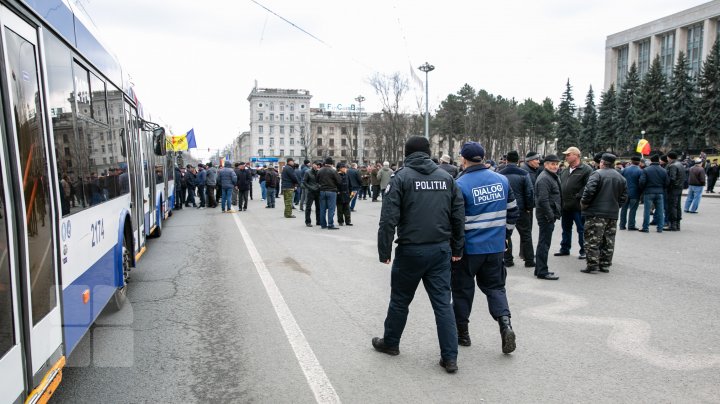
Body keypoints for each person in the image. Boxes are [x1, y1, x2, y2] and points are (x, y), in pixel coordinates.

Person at [373, 136, 465, 373]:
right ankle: (450, 357)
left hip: (411, 250)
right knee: (443, 304)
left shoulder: (401, 177)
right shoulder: (447, 178)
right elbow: (458, 217)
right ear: (427, 152)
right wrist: (457, 248)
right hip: (440, 250)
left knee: (400, 300)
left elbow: (388, 219)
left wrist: (384, 250)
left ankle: (391, 343)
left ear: (407, 153)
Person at [452, 142, 519, 354]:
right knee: (496, 288)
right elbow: (513, 211)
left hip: (469, 250)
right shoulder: (502, 180)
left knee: (462, 291)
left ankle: (462, 334)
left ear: (463, 159)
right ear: (483, 157)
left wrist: (455, 248)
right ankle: (505, 325)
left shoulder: (460, 185)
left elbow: (456, 221)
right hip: (495, 247)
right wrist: (505, 235)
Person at [579, 153, 628, 274]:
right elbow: (624, 196)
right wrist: (616, 206)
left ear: (602, 162)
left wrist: (584, 204)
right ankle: (605, 264)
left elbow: (589, 191)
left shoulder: (597, 174)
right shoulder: (620, 177)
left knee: (592, 239)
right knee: (609, 240)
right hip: (612, 213)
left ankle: (592, 265)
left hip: (596, 213)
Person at [499, 150, 535, 268]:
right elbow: (529, 192)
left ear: (506, 160)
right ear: (518, 160)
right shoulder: (524, 173)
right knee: (526, 234)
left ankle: (508, 259)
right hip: (521, 209)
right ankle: (529, 260)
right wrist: (529, 207)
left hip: (505, 209)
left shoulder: (500, 173)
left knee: (506, 234)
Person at [556, 147, 592, 259]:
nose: (566, 157)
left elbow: (588, 186)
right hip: (565, 206)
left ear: (576, 155)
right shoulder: (565, 170)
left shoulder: (586, 169)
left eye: (568, 155)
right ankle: (565, 248)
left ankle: (584, 250)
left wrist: (578, 197)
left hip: (578, 206)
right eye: (566, 155)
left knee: (582, 229)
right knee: (566, 229)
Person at [534, 154, 562, 280]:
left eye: (556, 164)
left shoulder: (551, 176)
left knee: (544, 242)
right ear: (545, 165)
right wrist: (550, 215)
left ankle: (539, 269)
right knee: (544, 244)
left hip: (548, 214)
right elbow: (543, 200)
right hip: (546, 215)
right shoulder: (545, 178)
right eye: (552, 164)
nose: (555, 166)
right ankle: (542, 271)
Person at [638, 154, 669, 233]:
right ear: (658, 161)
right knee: (660, 210)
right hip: (660, 192)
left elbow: (642, 182)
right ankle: (660, 228)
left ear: (651, 161)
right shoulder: (663, 170)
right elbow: (667, 183)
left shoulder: (646, 170)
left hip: (648, 192)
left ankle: (645, 227)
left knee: (647, 210)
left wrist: (644, 189)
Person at [316, 157, 341, 229]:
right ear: (332, 164)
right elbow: (339, 181)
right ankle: (330, 224)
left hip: (322, 191)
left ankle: (323, 224)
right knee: (331, 209)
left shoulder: (320, 170)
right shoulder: (333, 171)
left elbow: (317, 180)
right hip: (331, 191)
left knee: (322, 209)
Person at [619, 156, 642, 230]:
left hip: (625, 192)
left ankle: (622, 225)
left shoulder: (625, 170)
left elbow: (620, 180)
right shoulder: (640, 171)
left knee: (624, 209)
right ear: (639, 162)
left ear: (631, 161)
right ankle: (631, 225)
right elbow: (641, 182)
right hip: (635, 193)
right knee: (633, 209)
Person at [665, 151, 685, 231]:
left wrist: (667, 185)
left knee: (672, 207)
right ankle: (677, 224)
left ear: (669, 157)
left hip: (673, 189)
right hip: (679, 188)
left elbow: (672, 178)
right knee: (677, 206)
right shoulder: (680, 164)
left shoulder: (672, 166)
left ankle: (672, 225)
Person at [302, 161, 322, 227]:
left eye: (318, 165)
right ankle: (308, 222)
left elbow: (321, 181)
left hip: (318, 191)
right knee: (308, 207)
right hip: (311, 192)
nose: (317, 166)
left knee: (318, 207)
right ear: (312, 165)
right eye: (315, 165)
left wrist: (319, 186)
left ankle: (318, 221)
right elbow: (304, 182)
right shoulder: (308, 172)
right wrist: (310, 187)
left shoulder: (319, 172)